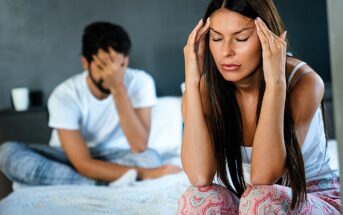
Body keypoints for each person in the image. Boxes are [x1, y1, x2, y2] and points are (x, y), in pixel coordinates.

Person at [177, 0, 340, 214]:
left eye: (241, 38)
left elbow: (264, 177)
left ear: (268, 37)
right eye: (216, 38)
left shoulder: (304, 82)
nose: (226, 51)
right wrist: (192, 81)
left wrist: (275, 84)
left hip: (311, 194)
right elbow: (200, 176)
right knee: (196, 199)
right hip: (249, 200)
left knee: (260, 199)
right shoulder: (207, 90)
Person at [0, 22, 180, 187]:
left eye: (118, 66)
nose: (111, 73)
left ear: (126, 61)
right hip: (69, 156)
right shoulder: (64, 95)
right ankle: (102, 183)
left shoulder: (140, 81)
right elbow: (82, 162)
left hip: (117, 156)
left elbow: (139, 146)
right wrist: (147, 174)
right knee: (7, 153)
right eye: (103, 66)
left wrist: (118, 88)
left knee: (150, 159)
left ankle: (73, 181)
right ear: (85, 62)